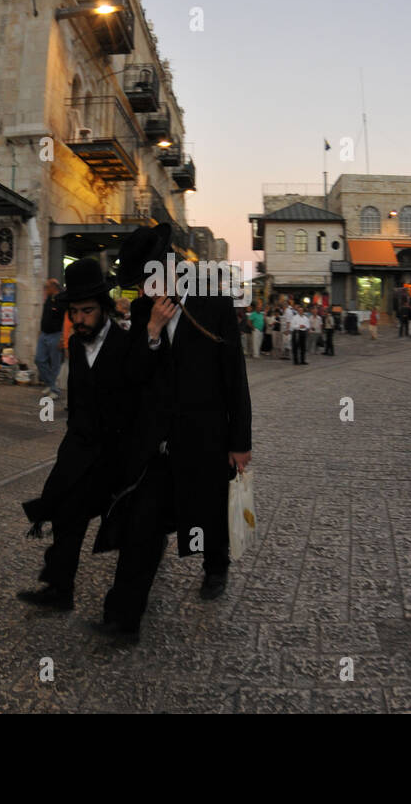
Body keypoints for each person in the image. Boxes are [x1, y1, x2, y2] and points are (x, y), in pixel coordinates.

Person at [93, 224, 252, 643]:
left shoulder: (213, 302)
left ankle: (215, 566)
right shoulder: (147, 311)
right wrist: (151, 333)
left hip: (206, 436)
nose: (144, 290)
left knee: (211, 509)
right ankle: (123, 618)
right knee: (142, 524)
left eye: (147, 281)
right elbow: (135, 377)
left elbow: (234, 374)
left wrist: (240, 442)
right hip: (159, 443)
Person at [18, 259, 139, 610]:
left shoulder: (125, 345)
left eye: (87, 311)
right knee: (66, 512)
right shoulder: (75, 344)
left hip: (117, 453)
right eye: (74, 312)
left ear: (104, 308)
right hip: (81, 447)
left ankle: (128, 604)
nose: (80, 319)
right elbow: (78, 399)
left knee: (130, 527)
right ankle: (59, 589)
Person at [36, 278, 66, 399]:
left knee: (55, 364)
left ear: (54, 287)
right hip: (44, 334)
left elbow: (66, 320)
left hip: (56, 335)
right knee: (39, 360)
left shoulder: (63, 300)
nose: (45, 289)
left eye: (47, 287)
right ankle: (50, 383)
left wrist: (63, 338)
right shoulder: (48, 298)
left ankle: (54, 389)